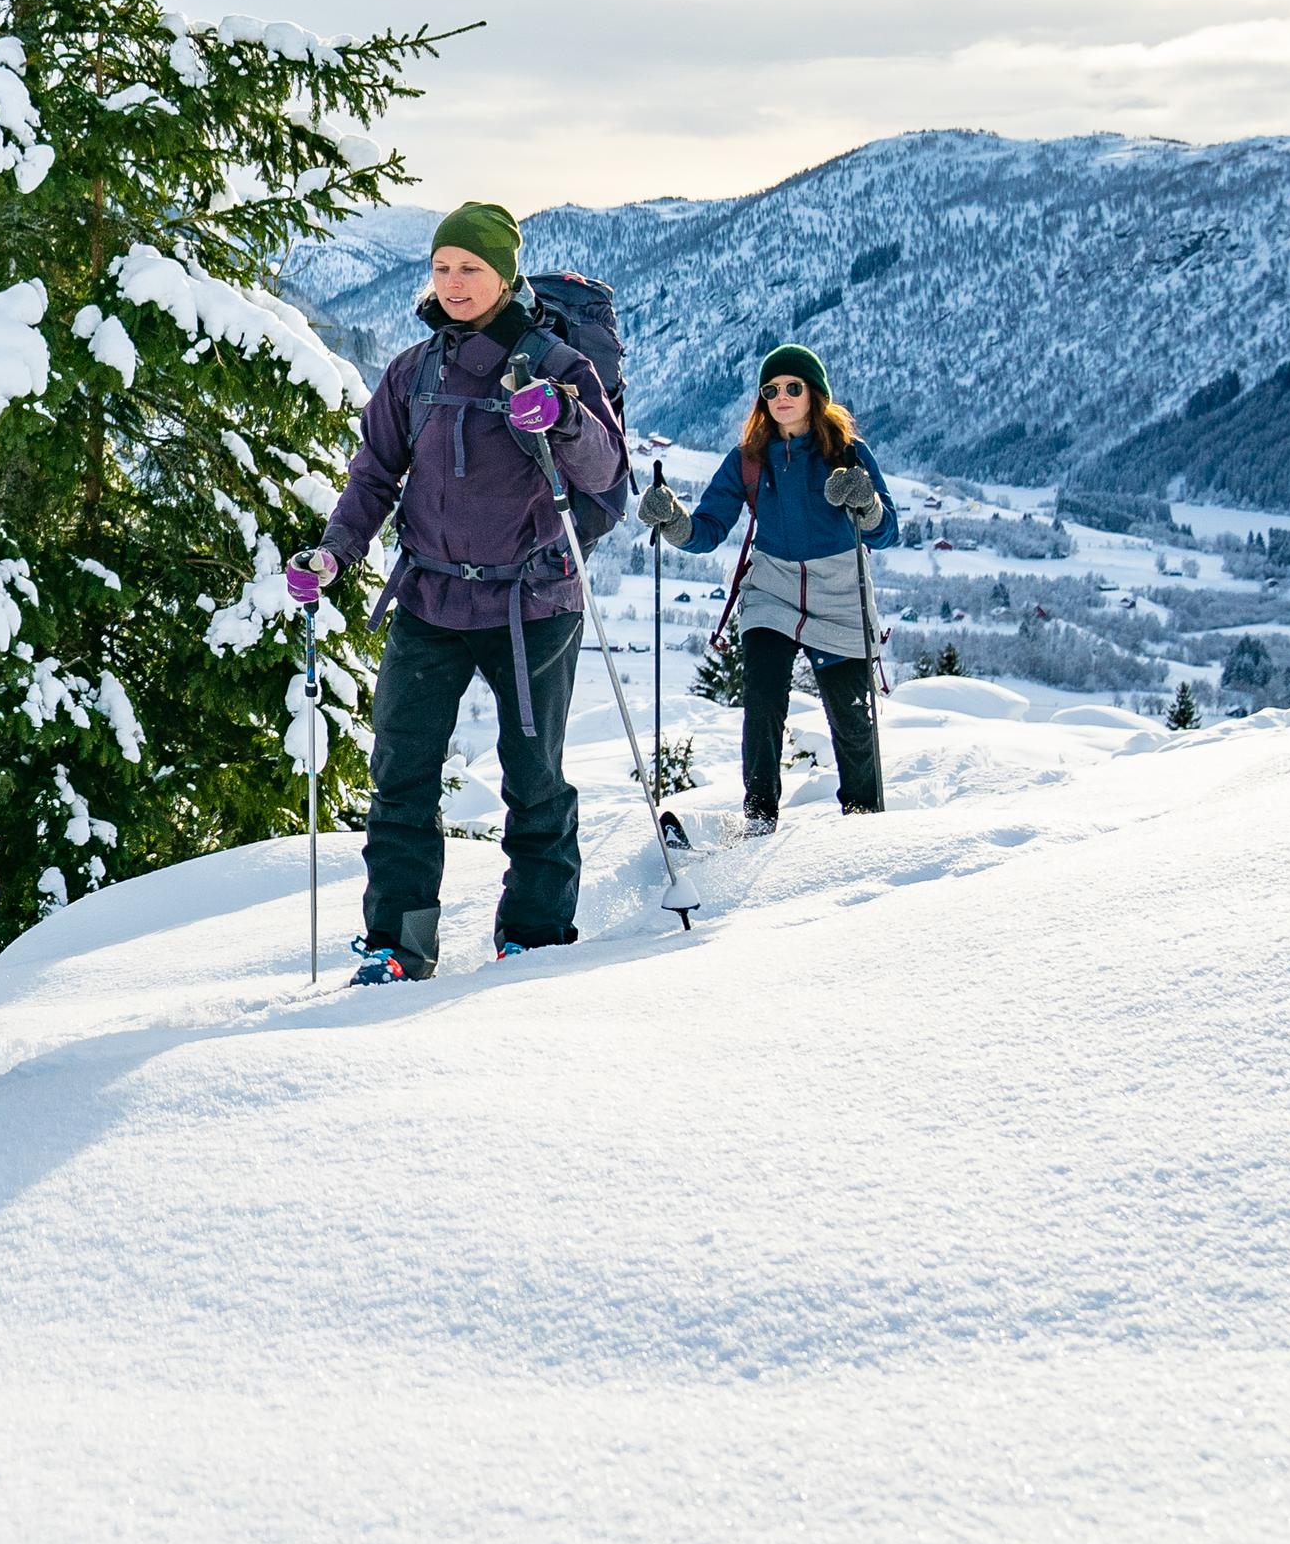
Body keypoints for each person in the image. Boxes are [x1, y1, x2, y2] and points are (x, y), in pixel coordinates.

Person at [288, 202, 620, 979]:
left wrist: (566, 418)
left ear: (505, 275)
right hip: (430, 600)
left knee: (533, 775)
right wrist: (336, 554)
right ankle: (397, 944)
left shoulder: (557, 367)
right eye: (442, 267)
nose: (453, 282)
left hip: (532, 603)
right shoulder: (415, 370)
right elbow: (373, 475)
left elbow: (607, 473)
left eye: (470, 268)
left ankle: (533, 936)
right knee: (400, 774)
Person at [639, 343, 899, 829]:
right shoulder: (749, 460)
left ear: (815, 394)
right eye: (771, 389)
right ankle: (760, 817)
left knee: (852, 722)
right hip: (771, 591)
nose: (781, 396)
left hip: (840, 594)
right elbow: (708, 529)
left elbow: (887, 532)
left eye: (792, 387)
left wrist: (865, 502)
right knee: (761, 703)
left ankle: (864, 825)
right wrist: (674, 521)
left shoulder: (848, 454)